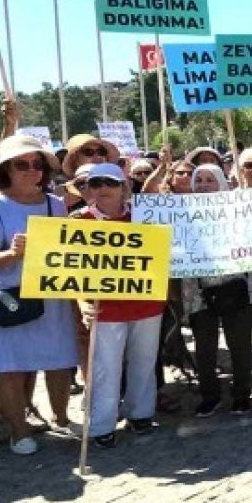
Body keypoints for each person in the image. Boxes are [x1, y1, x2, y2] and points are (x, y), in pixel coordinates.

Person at [0, 135, 80, 455]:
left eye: (38, 164)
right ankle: (18, 432)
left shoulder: (55, 204)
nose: (32, 170)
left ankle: (61, 418)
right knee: (12, 367)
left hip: (53, 294)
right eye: (23, 164)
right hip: (12, 297)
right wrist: (13, 254)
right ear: (6, 168)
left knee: (61, 361)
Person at [74, 163, 165, 448]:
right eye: (96, 183)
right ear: (87, 189)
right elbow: (69, 271)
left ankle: (141, 413)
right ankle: (102, 423)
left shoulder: (144, 217)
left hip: (147, 303)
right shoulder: (78, 222)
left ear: (124, 187)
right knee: (105, 366)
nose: (103, 189)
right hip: (106, 308)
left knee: (144, 361)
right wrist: (80, 303)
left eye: (110, 183)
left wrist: (162, 168)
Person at [184, 164, 252, 417]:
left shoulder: (240, 211)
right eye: (199, 180)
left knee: (240, 346)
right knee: (204, 348)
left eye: (210, 180)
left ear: (222, 182)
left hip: (236, 287)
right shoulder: (180, 212)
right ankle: (210, 396)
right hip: (197, 291)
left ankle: (241, 395)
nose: (203, 184)